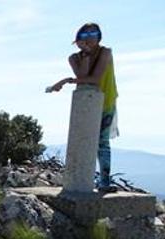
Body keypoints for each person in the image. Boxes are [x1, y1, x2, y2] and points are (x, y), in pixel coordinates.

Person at [48, 23, 119, 192]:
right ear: (78, 39)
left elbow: (94, 78)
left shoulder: (106, 52)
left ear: (99, 35)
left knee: (102, 142)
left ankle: (104, 182)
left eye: (93, 33)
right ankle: (80, 180)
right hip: (86, 104)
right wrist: (86, 55)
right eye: (85, 35)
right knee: (84, 139)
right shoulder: (74, 58)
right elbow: (83, 76)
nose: (89, 38)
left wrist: (65, 81)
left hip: (106, 100)